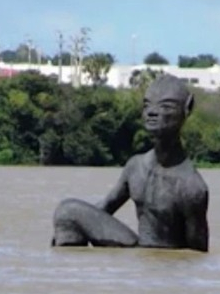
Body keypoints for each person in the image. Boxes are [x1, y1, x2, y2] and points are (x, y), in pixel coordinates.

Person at [51, 74, 210, 253]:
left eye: (166, 106)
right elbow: (104, 209)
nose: (152, 112)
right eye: (147, 105)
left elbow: (197, 253)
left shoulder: (192, 187)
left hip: (163, 261)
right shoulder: (136, 166)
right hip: (135, 252)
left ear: (187, 108)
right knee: (67, 212)